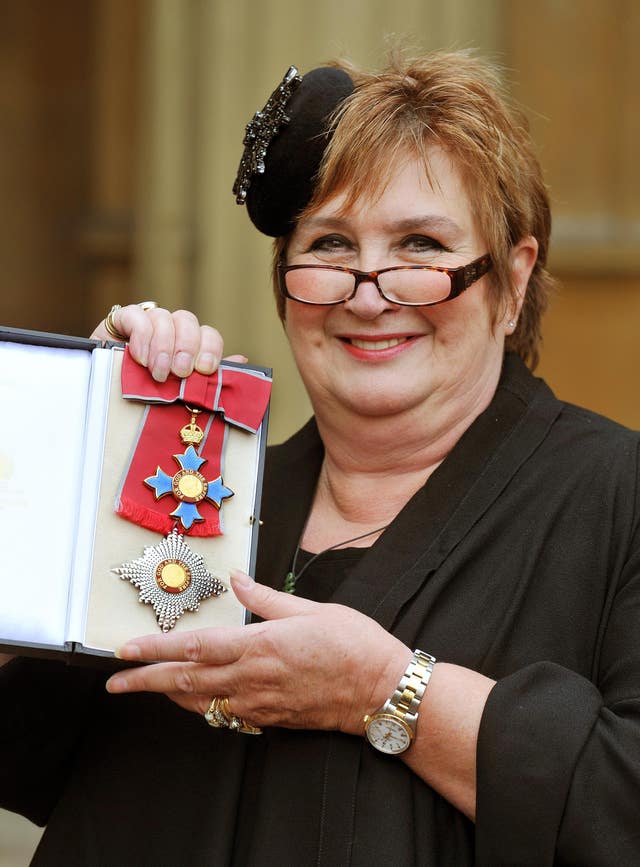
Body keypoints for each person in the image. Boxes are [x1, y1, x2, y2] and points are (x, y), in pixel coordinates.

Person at [2, 50, 640, 866]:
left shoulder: (617, 499)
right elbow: (29, 751)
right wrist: (80, 449)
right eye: (331, 246)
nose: (367, 290)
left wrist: (388, 692)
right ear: (285, 286)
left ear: (512, 284)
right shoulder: (197, 503)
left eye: (419, 245)